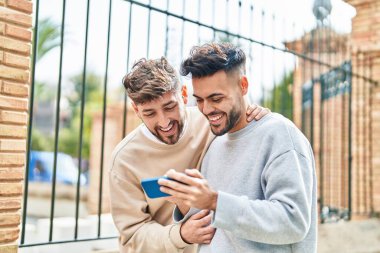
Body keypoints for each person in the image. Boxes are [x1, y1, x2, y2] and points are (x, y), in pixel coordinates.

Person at [158, 43, 317, 253]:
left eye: (216, 98)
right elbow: (220, 224)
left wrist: (215, 201)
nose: (206, 109)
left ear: (243, 85)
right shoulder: (215, 144)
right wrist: (185, 202)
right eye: (199, 100)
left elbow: (293, 221)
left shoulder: (279, 135)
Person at [109, 57, 270, 253]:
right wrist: (181, 235)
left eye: (170, 107)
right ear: (136, 110)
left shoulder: (211, 123)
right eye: (150, 113)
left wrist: (253, 114)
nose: (164, 122)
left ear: (184, 95)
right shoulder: (125, 159)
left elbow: (239, 119)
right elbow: (132, 235)